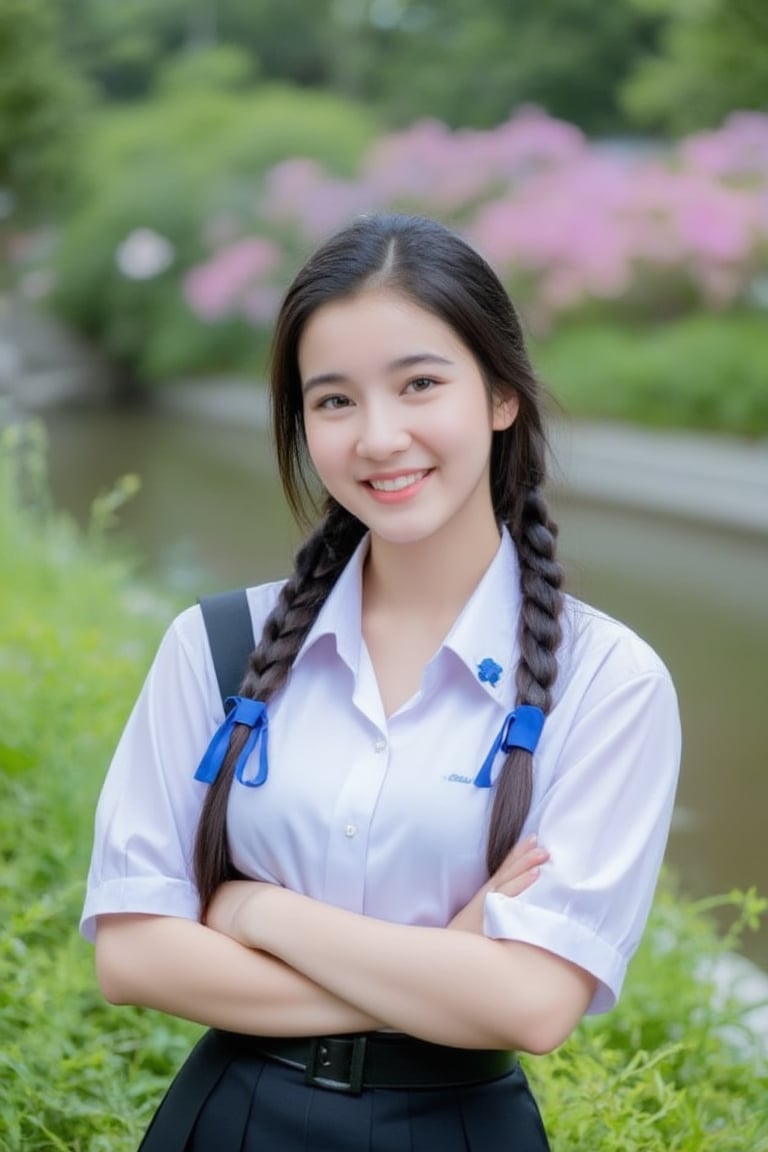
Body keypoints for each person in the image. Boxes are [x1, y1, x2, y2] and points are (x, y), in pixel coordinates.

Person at [81, 212, 681, 1151]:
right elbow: (134, 955)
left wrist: (250, 908)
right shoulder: (216, 645)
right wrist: (448, 968)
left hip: (461, 1130)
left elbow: (531, 1006)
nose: (379, 437)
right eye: (334, 401)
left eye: (420, 384)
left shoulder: (609, 684)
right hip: (230, 1119)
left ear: (500, 395)